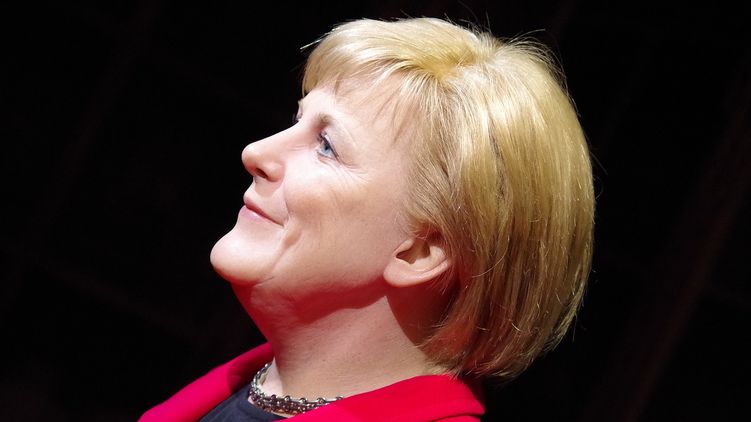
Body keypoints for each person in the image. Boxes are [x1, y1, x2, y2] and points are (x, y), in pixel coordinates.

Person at [140, 16, 594, 421]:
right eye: (297, 120)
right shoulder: (230, 395)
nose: (255, 152)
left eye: (326, 146)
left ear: (420, 252)